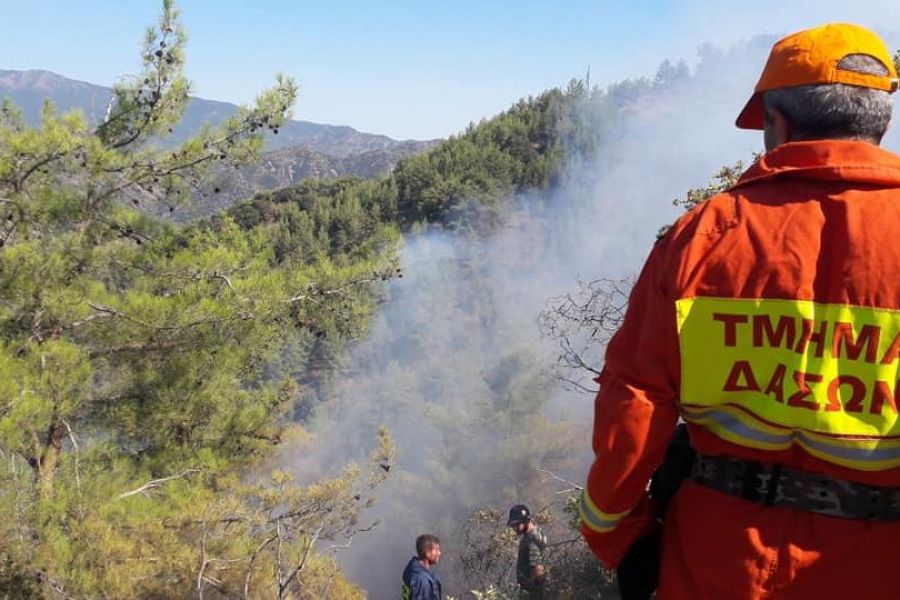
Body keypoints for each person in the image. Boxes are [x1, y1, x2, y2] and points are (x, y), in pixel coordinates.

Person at [579, 22, 900, 599]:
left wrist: (614, 532)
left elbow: (636, 401)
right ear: (881, 119)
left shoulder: (703, 236)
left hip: (714, 562)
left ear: (776, 121)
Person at [507, 504, 547, 598]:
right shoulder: (538, 531)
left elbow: (538, 568)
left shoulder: (530, 540)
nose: (514, 528)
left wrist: (536, 592)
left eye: (516, 524)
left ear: (526, 521)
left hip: (532, 593)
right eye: (512, 525)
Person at [401, 534, 442, 600]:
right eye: (436, 550)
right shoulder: (422, 581)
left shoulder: (411, 570)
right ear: (427, 553)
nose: (439, 553)